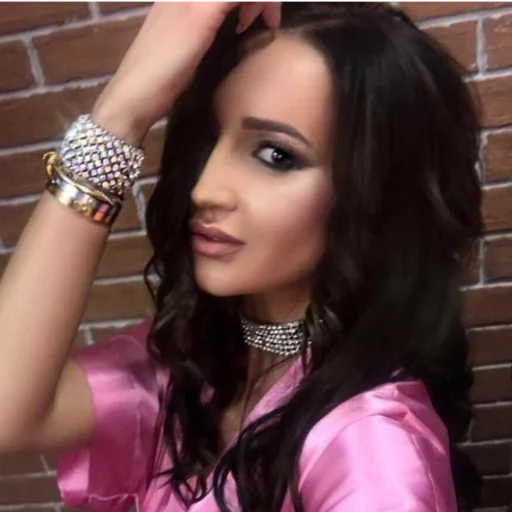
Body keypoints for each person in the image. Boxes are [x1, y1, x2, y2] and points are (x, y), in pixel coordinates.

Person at [0, 0, 483, 510]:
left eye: (276, 154)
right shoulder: (194, 361)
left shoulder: (371, 458)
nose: (205, 189)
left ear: (378, 195)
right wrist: (122, 111)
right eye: (212, 138)